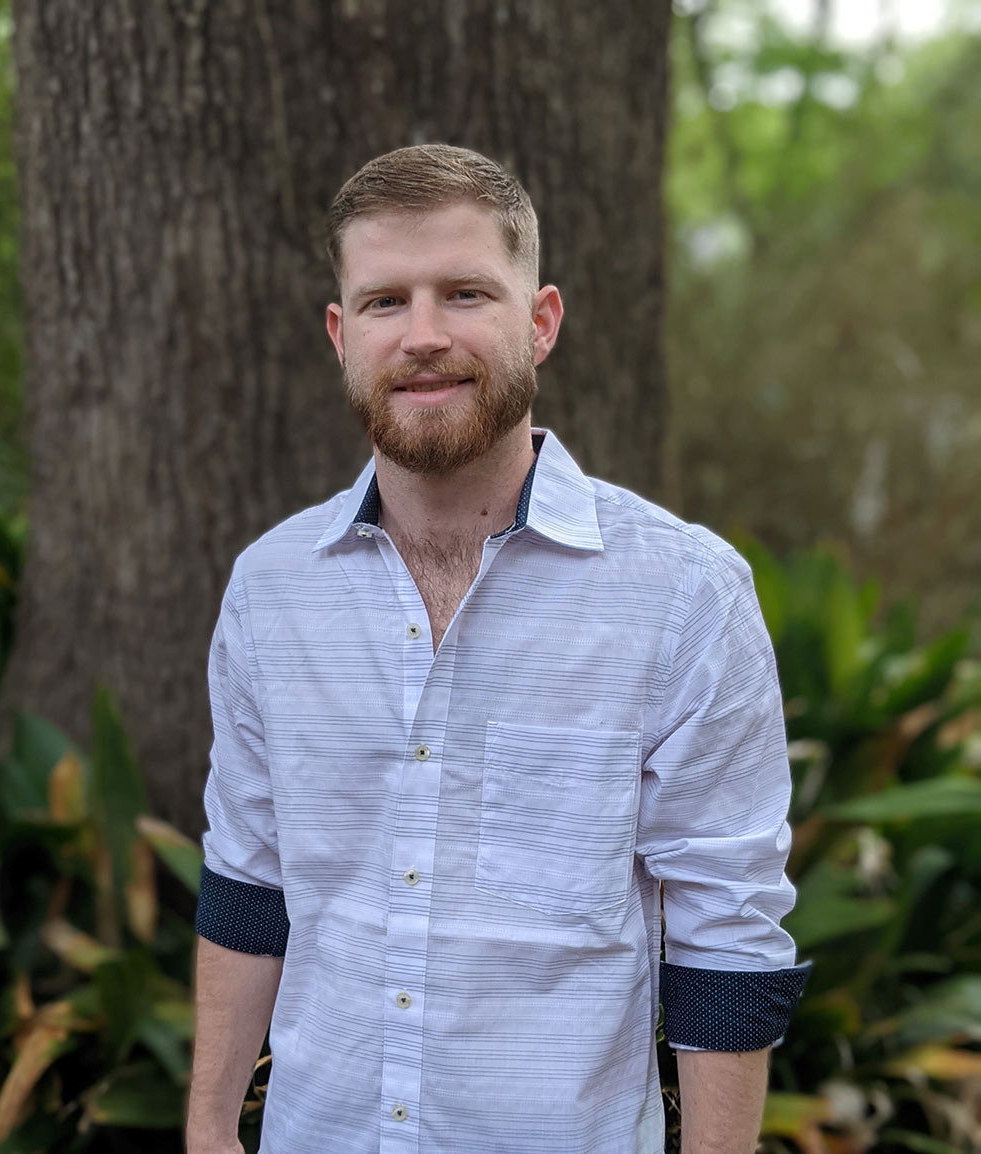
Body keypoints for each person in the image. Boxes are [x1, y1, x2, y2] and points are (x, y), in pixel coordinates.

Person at [186, 144, 809, 1154]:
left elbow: (725, 930)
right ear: (342, 335)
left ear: (540, 321)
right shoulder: (271, 587)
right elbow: (248, 877)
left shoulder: (685, 593)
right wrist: (210, 1125)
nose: (423, 335)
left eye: (465, 291)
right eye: (385, 301)